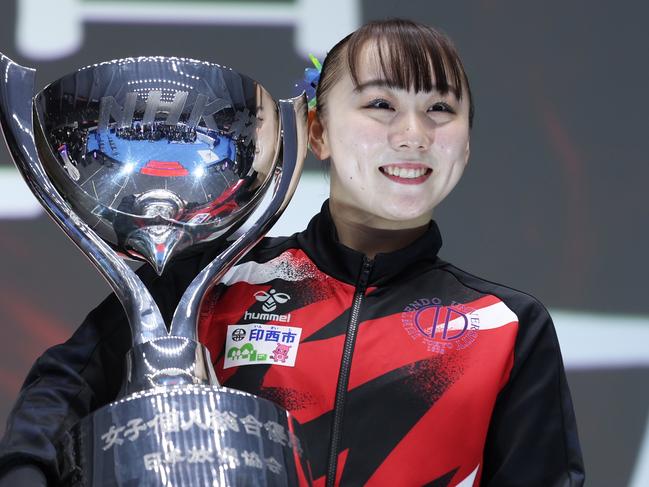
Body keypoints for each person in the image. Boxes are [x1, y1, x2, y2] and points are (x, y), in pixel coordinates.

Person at [0, 19, 584, 486]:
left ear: (467, 142)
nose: (414, 133)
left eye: (441, 109)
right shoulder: (215, 283)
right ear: (317, 131)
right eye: (380, 104)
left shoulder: (506, 327)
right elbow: (57, 397)